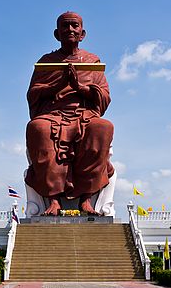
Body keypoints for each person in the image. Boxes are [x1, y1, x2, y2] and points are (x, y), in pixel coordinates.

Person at [25, 11, 114, 216]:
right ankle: (53, 200)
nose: (70, 30)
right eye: (65, 26)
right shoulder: (46, 62)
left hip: (84, 113)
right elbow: (34, 94)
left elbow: (104, 95)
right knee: (38, 128)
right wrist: (58, 84)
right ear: (57, 33)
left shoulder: (92, 61)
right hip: (53, 113)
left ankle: (86, 199)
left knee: (103, 127)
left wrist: (80, 87)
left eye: (75, 26)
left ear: (82, 33)